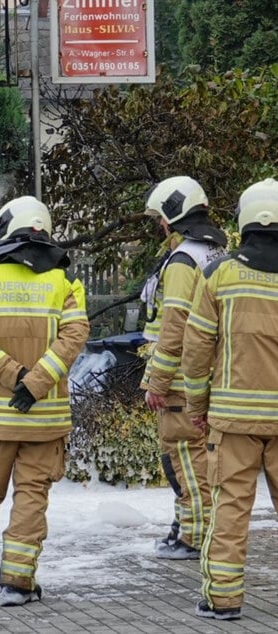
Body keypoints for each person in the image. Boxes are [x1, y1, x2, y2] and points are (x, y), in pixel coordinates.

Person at [0, 195, 89, 606]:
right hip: (44, 420)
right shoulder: (66, 282)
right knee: (31, 499)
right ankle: (17, 584)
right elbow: (74, 337)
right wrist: (36, 382)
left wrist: (13, 377)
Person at [181, 177, 278, 621]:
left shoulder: (219, 273)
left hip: (234, 421)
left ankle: (222, 599)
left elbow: (197, 350)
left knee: (231, 509)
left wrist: (197, 410)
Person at [139, 176, 227, 559]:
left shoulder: (182, 260)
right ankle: (188, 525)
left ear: (173, 215)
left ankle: (193, 534)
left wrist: (157, 381)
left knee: (181, 457)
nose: (160, 225)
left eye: (161, 217)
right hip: (208, 371)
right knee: (199, 455)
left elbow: (174, 326)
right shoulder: (216, 252)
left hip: (176, 378)